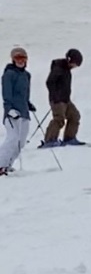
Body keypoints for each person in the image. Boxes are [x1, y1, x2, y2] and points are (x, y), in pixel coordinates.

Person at [0, 47, 36, 177]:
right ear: (13, 60)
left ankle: (7, 165)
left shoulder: (26, 75)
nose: (20, 61)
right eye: (18, 58)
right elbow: (6, 94)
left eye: (23, 58)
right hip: (12, 113)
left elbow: (25, 94)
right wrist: (9, 109)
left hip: (24, 113)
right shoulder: (9, 74)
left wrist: (28, 104)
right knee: (12, 138)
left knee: (20, 141)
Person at [40, 48, 83, 148]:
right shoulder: (58, 68)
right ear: (69, 60)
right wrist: (56, 96)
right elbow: (49, 82)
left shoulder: (66, 69)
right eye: (75, 63)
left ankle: (69, 138)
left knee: (74, 116)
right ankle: (50, 140)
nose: (75, 66)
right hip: (57, 100)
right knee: (59, 119)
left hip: (66, 100)